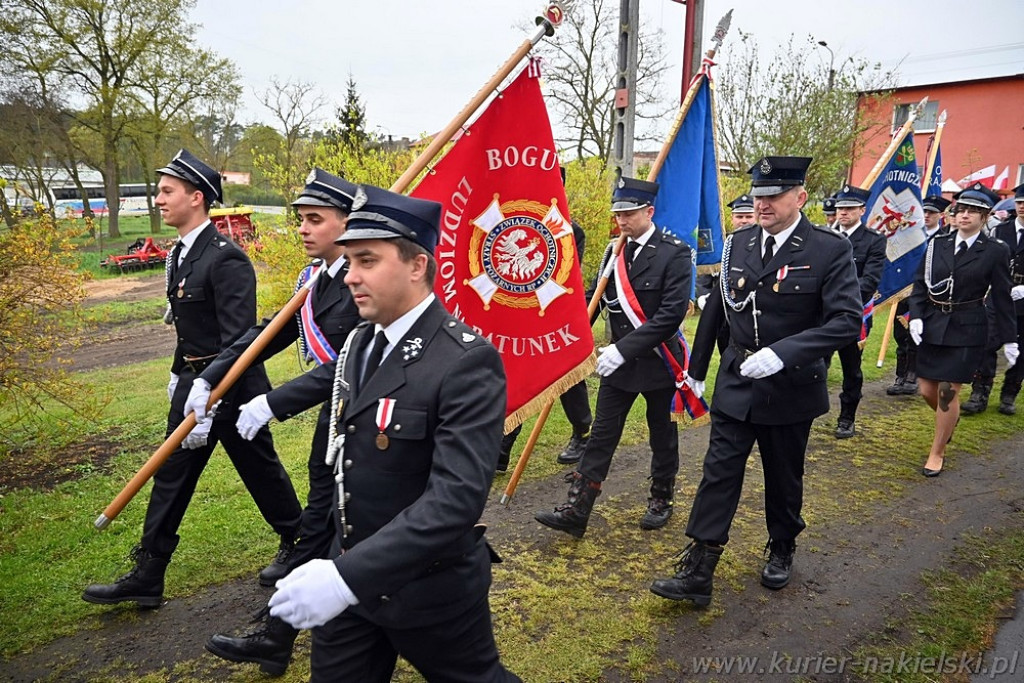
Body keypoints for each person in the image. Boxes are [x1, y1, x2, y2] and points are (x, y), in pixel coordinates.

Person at [263, 184, 520, 682]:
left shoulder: (466, 361)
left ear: (416, 265)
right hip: (351, 583)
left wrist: (342, 578)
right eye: (349, 261)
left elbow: (455, 501)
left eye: (366, 260)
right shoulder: (362, 341)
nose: (351, 277)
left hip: (429, 588)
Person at [82, 149, 302, 608]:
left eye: (167, 191)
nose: (159, 200)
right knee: (172, 476)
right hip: (192, 387)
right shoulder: (181, 255)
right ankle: (149, 572)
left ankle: (298, 544)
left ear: (196, 197)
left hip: (233, 391)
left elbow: (239, 339)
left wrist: (212, 400)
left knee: (260, 472)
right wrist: (176, 375)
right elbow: (188, 326)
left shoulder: (226, 259)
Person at [649, 156, 861, 606]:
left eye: (774, 196)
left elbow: (845, 322)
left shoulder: (828, 249)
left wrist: (783, 354)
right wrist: (699, 372)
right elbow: (719, 313)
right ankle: (700, 568)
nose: (763, 204)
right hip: (738, 380)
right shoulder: (738, 243)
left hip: (790, 386)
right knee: (718, 472)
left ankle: (782, 544)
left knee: (783, 476)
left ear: (800, 198)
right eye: (759, 196)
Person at [192, 169, 361, 676]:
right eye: (301, 220)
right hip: (337, 416)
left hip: (363, 418)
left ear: (346, 223)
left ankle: (279, 632)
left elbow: (347, 363)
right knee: (324, 519)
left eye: (316, 220)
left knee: (333, 521)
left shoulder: (360, 276)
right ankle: (279, 634)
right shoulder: (318, 279)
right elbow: (267, 334)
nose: (304, 230)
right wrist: (212, 377)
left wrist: (272, 402)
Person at [534, 177, 692, 537]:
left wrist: (621, 349)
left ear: (649, 212)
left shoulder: (674, 252)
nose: (622, 220)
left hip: (657, 362)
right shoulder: (613, 252)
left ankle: (661, 498)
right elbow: (595, 297)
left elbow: (669, 317)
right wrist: (571, 337)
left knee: (661, 434)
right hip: (618, 366)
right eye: (618, 213)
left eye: (630, 213)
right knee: (602, 434)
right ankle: (578, 508)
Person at [909, 183, 1017, 477]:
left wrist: (1010, 338)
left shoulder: (995, 250)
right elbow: (920, 283)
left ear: (985, 217)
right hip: (933, 324)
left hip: (968, 327)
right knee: (927, 389)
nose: (965, 215)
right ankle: (949, 422)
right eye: (961, 209)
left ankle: (937, 451)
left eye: (974, 211)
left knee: (946, 393)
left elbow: (1002, 296)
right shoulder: (937, 244)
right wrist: (916, 316)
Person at [498, 209, 593, 472]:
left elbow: (565, 275)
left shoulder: (571, 230)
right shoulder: (512, 220)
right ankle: (502, 447)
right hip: (518, 314)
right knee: (518, 377)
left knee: (567, 374)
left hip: (552, 313)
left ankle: (582, 431)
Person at [828, 184, 886, 438]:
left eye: (849, 208)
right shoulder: (823, 235)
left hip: (852, 314)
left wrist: (835, 298)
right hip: (822, 315)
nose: (843, 213)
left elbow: (869, 280)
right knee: (815, 365)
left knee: (851, 369)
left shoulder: (874, 240)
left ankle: (847, 417)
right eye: (840, 208)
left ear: (862, 210)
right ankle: (808, 411)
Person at [960, 184, 1024, 416]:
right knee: (985, 344)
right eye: (1019, 202)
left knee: (1021, 351)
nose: (1022, 207)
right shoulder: (1000, 231)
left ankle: (1009, 393)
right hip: (997, 299)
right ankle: (980, 391)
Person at [886, 195, 951, 397]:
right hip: (904, 293)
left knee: (918, 337)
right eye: (924, 211)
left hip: (929, 296)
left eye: (931, 212)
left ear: (941, 215)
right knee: (900, 336)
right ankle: (900, 375)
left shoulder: (945, 238)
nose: (927, 215)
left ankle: (914, 375)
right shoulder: (908, 235)